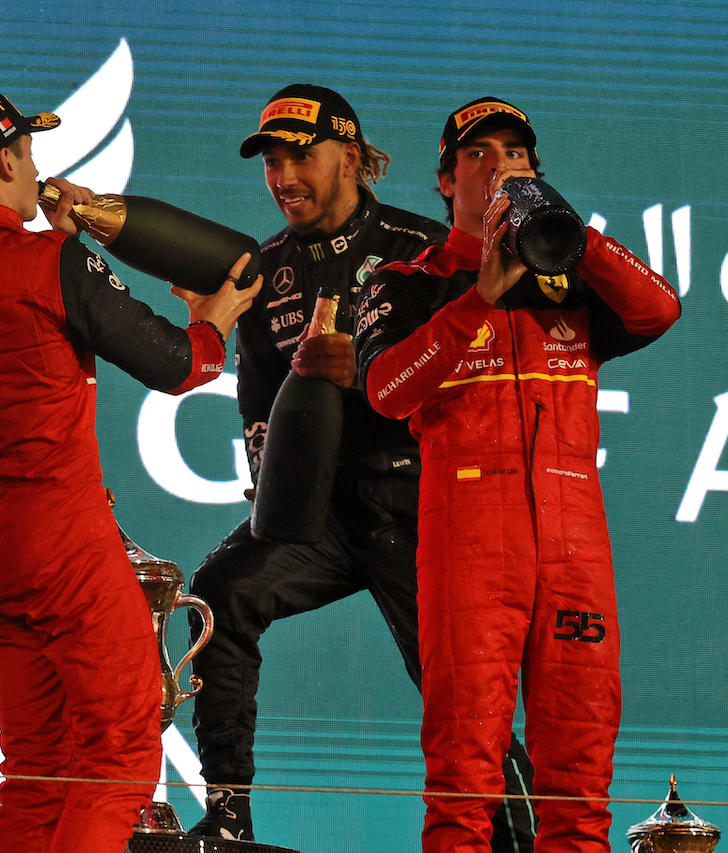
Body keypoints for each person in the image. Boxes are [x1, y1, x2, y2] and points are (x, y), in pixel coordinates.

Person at [0, 86, 260, 853]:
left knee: (36, 771)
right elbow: (177, 362)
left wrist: (68, 250)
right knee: (118, 758)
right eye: (27, 150)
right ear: (4, 158)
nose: (36, 166)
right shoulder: (48, 258)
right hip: (61, 539)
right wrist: (215, 320)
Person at [186, 84, 536, 850]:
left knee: (464, 703)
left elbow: (467, 374)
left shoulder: (423, 249)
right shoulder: (264, 272)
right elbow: (257, 407)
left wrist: (360, 377)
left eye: (300, 157)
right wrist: (270, 483)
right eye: (272, 163)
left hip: (424, 509)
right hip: (323, 518)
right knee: (219, 592)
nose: (284, 179)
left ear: (350, 156)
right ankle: (228, 818)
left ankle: (520, 842)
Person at [355, 98, 682, 852]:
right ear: (446, 180)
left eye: (518, 153)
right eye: (480, 154)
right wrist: (481, 297)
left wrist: (567, 231)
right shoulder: (407, 281)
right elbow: (387, 390)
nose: (501, 163)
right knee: (465, 784)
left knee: (580, 784)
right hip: (470, 544)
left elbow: (660, 308)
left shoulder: (574, 279)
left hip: (575, 546)